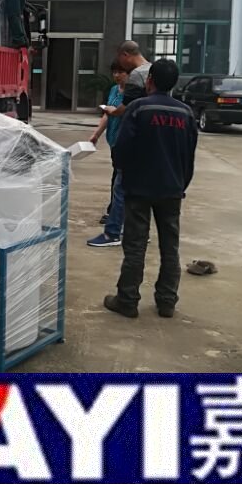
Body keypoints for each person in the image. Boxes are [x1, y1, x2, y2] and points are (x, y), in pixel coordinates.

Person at [103, 59, 198, 319]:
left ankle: (127, 300)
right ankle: (167, 301)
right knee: (170, 247)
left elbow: (121, 149)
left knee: (135, 246)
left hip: (139, 189)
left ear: (150, 80)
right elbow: (189, 157)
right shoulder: (186, 113)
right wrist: (180, 184)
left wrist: (124, 174)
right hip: (171, 190)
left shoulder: (138, 108)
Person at [87, 61, 129, 247]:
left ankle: (119, 223)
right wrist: (96, 134)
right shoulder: (114, 90)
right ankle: (117, 216)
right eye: (115, 72)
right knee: (117, 179)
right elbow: (107, 114)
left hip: (126, 142)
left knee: (120, 182)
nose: (117, 76)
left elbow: (121, 112)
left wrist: (115, 111)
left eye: (121, 72)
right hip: (114, 141)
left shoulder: (133, 93)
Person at [102, 41, 151, 121]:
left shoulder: (137, 73)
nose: (120, 63)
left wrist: (113, 111)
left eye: (120, 59)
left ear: (125, 55)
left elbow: (128, 104)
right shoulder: (153, 69)